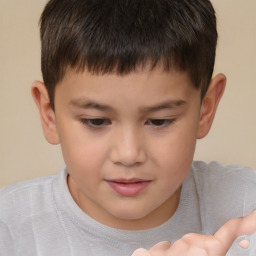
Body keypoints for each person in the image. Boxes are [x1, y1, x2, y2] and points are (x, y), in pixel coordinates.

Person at [0, 0, 255, 255]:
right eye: (96, 121)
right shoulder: (10, 228)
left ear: (205, 109)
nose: (128, 154)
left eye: (159, 121)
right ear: (49, 114)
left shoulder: (246, 206)